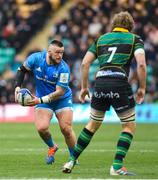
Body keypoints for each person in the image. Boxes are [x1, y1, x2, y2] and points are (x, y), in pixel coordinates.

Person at [62, 11, 146, 175]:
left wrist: (84, 88)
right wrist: (142, 88)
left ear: (113, 24)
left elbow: (85, 64)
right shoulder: (135, 39)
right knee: (129, 126)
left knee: (92, 125)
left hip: (100, 83)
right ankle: (116, 166)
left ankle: (71, 160)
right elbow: (141, 64)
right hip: (119, 82)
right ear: (130, 26)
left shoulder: (101, 39)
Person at [14, 40, 77, 165]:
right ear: (49, 52)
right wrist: (17, 87)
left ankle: (73, 157)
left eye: (62, 53)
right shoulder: (36, 58)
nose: (60, 56)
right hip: (43, 99)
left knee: (66, 129)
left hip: (62, 99)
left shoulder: (64, 68)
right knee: (41, 128)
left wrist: (39, 100)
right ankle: (52, 146)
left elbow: (59, 92)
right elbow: (21, 70)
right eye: (57, 52)